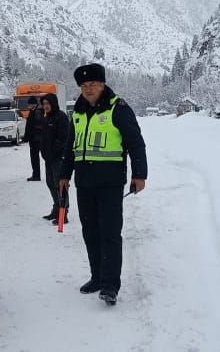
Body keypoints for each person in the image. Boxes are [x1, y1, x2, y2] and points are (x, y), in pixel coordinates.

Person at [59, 63, 147, 306]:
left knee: (109, 234)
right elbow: (70, 146)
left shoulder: (118, 108)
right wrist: (64, 175)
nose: (88, 89)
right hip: (84, 184)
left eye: (93, 85)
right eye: (84, 86)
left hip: (110, 183)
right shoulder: (77, 111)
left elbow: (135, 142)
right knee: (90, 233)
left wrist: (139, 174)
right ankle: (97, 277)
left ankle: (110, 286)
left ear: (102, 84)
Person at [40, 93, 69, 225]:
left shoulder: (61, 117)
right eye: (44, 104)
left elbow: (63, 138)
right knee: (50, 184)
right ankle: (56, 208)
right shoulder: (46, 118)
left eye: (48, 104)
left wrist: (54, 151)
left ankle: (63, 213)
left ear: (53, 104)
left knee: (60, 186)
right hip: (48, 159)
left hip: (58, 158)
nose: (45, 106)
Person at [23, 96, 44, 181]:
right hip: (36, 138)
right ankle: (36, 174)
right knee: (36, 158)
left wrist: (28, 136)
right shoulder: (34, 111)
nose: (28, 106)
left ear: (33, 104)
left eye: (29, 104)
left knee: (35, 158)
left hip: (36, 139)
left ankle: (36, 175)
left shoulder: (37, 111)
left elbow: (34, 125)